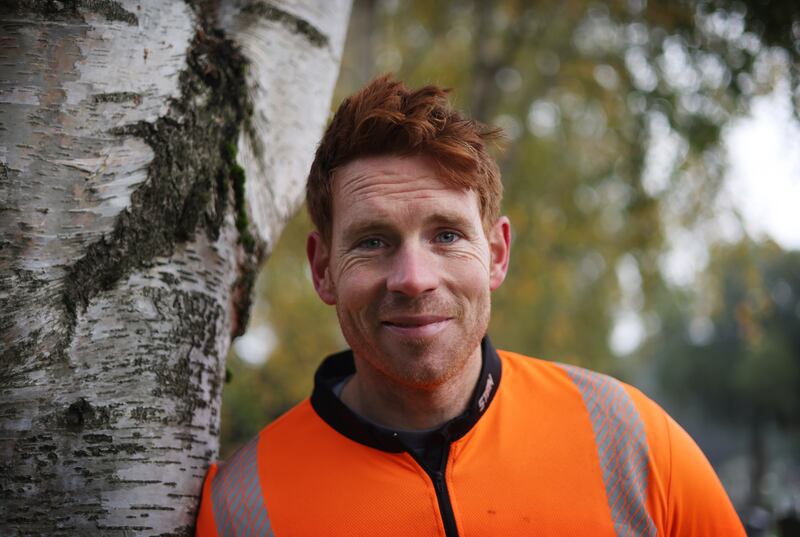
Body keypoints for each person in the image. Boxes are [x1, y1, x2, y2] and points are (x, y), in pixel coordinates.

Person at [195, 75, 746, 536]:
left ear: (497, 254)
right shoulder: (241, 508)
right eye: (372, 241)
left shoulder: (631, 439)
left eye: (447, 236)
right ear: (322, 269)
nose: (413, 280)